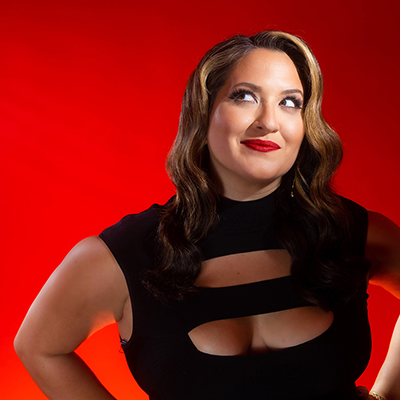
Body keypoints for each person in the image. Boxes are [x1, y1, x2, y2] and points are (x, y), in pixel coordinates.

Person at [14, 30, 400, 400]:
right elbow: (38, 347)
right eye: (245, 96)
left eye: (289, 102)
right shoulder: (127, 254)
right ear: (204, 112)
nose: (269, 121)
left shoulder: (351, 231)